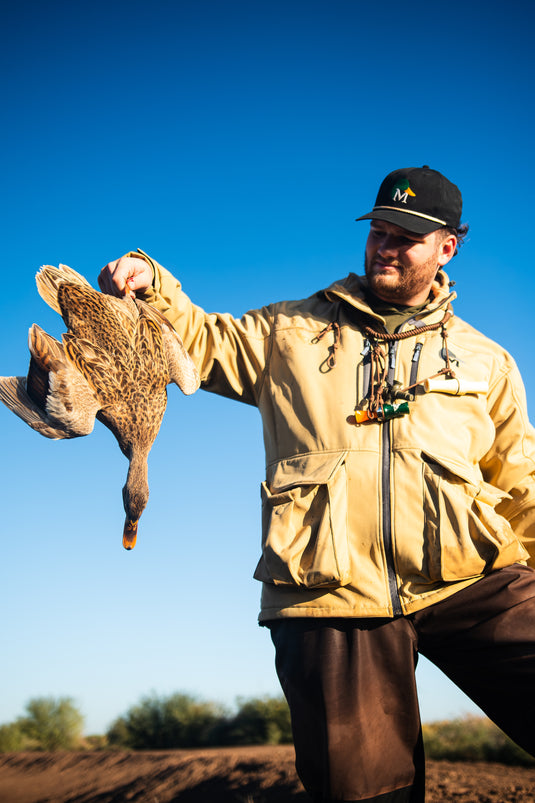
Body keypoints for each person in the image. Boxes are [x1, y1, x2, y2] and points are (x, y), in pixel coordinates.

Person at [99, 166, 535, 802]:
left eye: (405, 237)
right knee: (363, 793)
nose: (385, 246)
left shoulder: (485, 359)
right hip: (329, 595)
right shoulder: (288, 333)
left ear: (447, 247)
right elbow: (199, 340)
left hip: (470, 580)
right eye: (379, 230)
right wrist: (151, 282)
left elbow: (522, 482)